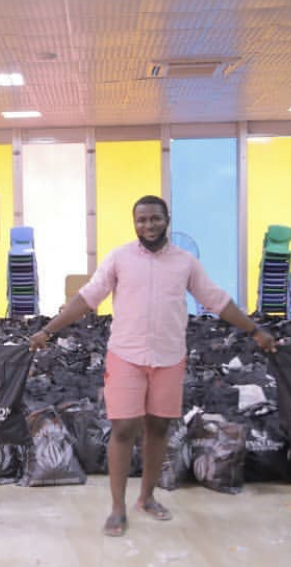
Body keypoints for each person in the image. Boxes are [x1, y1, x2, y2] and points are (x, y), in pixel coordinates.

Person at [29, 195, 276, 536]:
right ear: (135, 223)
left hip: (169, 358)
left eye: (155, 218)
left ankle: (146, 498)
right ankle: (117, 508)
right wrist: (47, 330)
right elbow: (87, 298)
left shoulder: (185, 263)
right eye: (142, 219)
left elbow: (217, 300)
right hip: (125, 356)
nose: (148, 225)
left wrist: (255, 330)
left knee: (159, 429)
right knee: (123, 430)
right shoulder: (119, 258)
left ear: (167, 220)